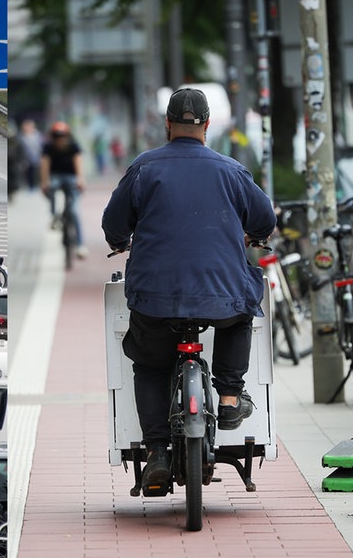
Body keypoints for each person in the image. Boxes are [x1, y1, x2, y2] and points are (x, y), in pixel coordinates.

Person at [102, 88, 277, 494]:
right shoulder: (232, 170)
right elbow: (264, 217)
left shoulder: (144, 168)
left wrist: (120, 240)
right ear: (207, 125)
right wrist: (256, 234)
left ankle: (158, 450)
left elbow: (114, 223)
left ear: (167, 124)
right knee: (241, 312)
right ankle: (231, 396)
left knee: (149, 364)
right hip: (222, 293)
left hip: (154, 295)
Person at [40, 121, 87, 258]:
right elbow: (45, 164)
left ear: (67, 136)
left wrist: (80, 179)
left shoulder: (73, 146)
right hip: (56, 177)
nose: (60, 140)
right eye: (56, 137)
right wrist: (44, 182)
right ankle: (54, 216)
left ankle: (80, 245)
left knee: (74, 212)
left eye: (62, 136)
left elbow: (78, 162)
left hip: (71, 177)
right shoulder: (48, 147)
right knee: (52, 186)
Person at [19, 119, 43, 191]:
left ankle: (39, 186)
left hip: (37, 157)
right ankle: (31, 187)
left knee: (38, 173)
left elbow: (41, 146)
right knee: (29, 173)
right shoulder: (22, 137)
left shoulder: (37, 135)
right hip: (27, 159)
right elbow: (21, 149)